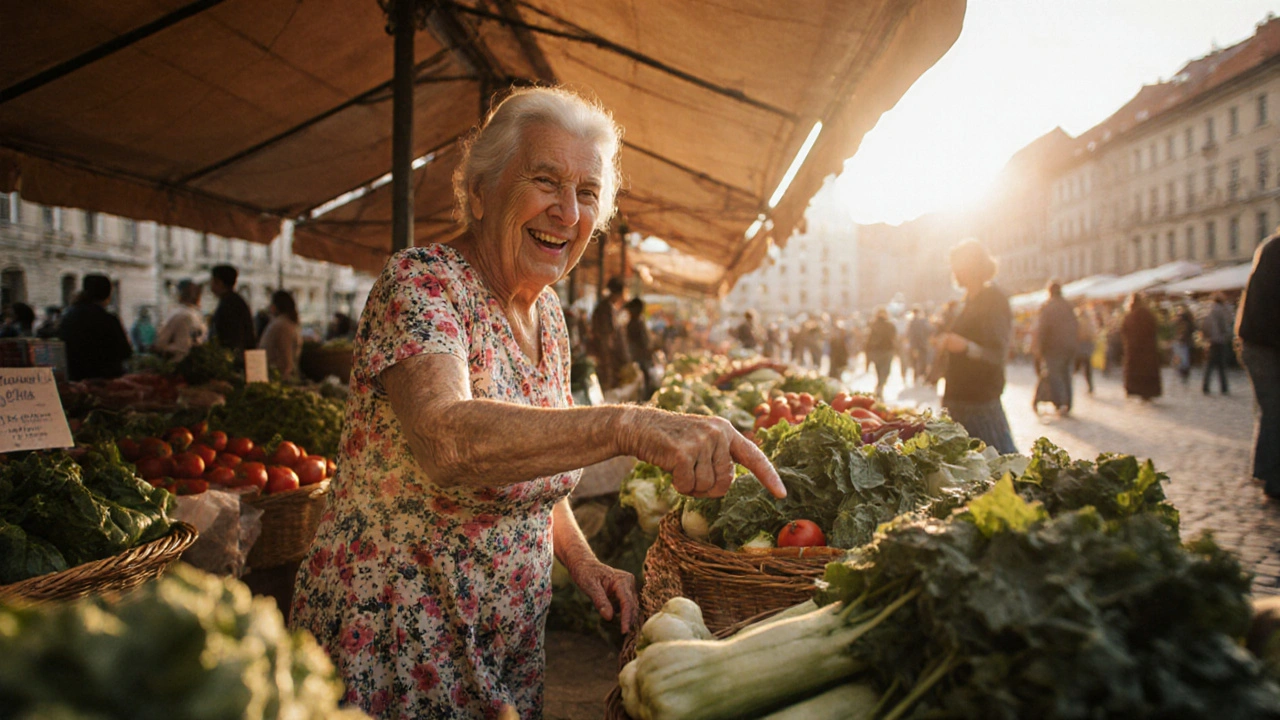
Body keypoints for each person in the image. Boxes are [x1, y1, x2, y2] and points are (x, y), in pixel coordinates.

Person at [290, 87, 784, 720]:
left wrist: (582, 559)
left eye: (587, 194)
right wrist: (629, 425)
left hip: (506, 645)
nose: (567, 212)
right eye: (545, 181)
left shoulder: (548, 314)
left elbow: (532, 458)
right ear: (478, 192)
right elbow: (448, 439)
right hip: (396, 641)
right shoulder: (421, 283)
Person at [933, 239, 1017, 454]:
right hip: (958, 396)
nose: (953, 270)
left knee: (999, 462)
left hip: (980, 399)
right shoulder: (969, 299)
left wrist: (966, 346)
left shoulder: (994, 299)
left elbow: (997, 352)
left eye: (957, 265)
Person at [1237, 231, 1279, 498]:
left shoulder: (1270, 247)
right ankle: (1272, 478)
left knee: (1270, 409)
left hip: (1257, 341)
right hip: (1264, 344)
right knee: (1275, 409)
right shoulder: (1276, 251)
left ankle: (1265, 470)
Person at [57, 274, 132, 380]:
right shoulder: (108, 319)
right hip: (104, 381)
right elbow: (125, 352)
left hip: (74, 378)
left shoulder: (68, 316)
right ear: (108, 295)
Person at [1033, 281, 1078, 415]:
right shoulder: (1069, 306)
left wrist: (1038, 348)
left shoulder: (1048, 307)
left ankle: (1059, 403)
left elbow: (1042, 329)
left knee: (1054, 375)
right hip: (1069, 346)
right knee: (1066, 375)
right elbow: (1076, 326)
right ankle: (1068, 403)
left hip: (1053, 347)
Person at [1120, 293, 1162, 401]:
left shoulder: (1130, 316)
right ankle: (1147, 392)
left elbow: (1124, 331)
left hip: (1133, 349)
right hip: (1147, 349)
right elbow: (1155, 329)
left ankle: (1132, 389)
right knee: (1147, 371)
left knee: (1134, 370)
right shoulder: (1148, 314)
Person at [208, 264, 257, 356]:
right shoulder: (235, 301)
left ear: (219, 282)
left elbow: (228, 338)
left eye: (212, 281)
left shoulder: (229, 304)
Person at [153, 279, 207, 361]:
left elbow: (160, 344)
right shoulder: (196, 317)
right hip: (188, 363)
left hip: (180, 364)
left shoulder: (178, 314)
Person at [590, 276, 629, 388]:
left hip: (606, 355)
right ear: (618, 292)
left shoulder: (608, 307)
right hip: (604, 356)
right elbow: (605, 337)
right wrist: (608, 360)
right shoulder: (605, 309)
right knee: (606, 386)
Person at [259, 289, 302, 382]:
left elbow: (287, 361)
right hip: (278, 377)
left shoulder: (281, 326)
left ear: (275, 306)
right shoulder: (287, 324)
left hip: (278, 379)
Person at [1201, 292, 1234, 395]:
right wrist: (1227, 335)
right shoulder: (1222, 310)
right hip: (1220, 340)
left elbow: (1204, 326)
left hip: (1211, 341)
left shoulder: (1208, 310)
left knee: (1209, 365)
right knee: (1221, 365)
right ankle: (1224, 387)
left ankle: (1205, 387)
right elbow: (1225, 325)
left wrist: (1207, 337)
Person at [625, 297, 655, 399]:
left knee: (643, 382)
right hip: (638, 358)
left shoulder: (637, 322)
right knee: (641, 383)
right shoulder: (635, 323)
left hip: (640, 358)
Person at [864, 308, 897, 399]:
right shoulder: (890, 325)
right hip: (886, 351)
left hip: (878, 351)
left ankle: (880, 385)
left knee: (879, 370)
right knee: (885, 371)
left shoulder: (873, 325)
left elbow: (868, 340)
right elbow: (894, 338)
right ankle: (880, 385)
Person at [905, 306, 932, 386]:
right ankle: (921, 376)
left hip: (915, 345)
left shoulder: (912, 322)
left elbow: (909, 334)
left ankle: (917, 376)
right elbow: (929, 331)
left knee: (915, 361)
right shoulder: (923, 321)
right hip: (922, 345)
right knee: (922, 361)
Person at [1075, 305, 1098, 394]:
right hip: (1088, 346)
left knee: (1076, 367)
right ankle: (1090, 385)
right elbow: (1093, 334)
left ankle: (1067, 385)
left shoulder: (1079, 322)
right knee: (1087, 367)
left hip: (1080, 346)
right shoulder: (1090, 322)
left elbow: (1077, 334)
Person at [1172, 304, 1195, 385]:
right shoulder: (1189, 321)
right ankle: (1184, 372)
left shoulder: (1183, 322)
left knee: (1182, 358)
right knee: (1184, 358)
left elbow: (1181, 331)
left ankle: (1182, 371)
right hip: (1185, 341)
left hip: (1182, 341)